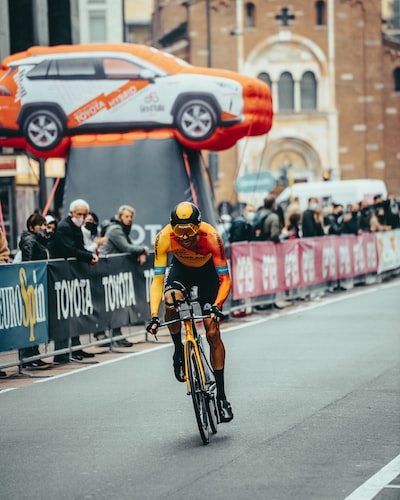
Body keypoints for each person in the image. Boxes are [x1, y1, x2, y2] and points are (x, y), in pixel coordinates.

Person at [146, 201, 234, 423]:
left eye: (190, 231)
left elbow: (225, 279)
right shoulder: (164, 237)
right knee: (171, 299)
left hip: (207, 274)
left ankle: (222, 398)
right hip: (182, 270)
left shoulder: (211, 237)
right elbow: (157, 281)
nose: (184, 236)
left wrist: (217, 306)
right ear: (172, 227)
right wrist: (154, 315)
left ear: (198, 225)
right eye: (179, 231)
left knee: (212, 332)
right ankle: (178, 351)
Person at [49, 199, 99, 363]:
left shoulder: (77, 227)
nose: (82, 217)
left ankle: (76, 347)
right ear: (71, 213)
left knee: (75, 311)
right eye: (79, 214)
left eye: (84, 214)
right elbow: (69, 249)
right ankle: (61, 353)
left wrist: (89, 257)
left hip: (73, 276)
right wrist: (88, 256)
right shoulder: (64, 227)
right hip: (60, 277)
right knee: (63, 314)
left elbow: (80, 247)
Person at [99, 205, 148, 347]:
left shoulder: (123, 229)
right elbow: (127, 248)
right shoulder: (115, 230)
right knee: (110, 304)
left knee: (116, 304)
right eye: (126, 216)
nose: (129, 219)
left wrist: (140, 252)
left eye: (131, 217)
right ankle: (108, 336)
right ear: (120, 217)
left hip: (115, 272)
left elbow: (130, 246)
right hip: (106, 271)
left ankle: (116, 335)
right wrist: (143, 249)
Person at [18, 213, 51, 369]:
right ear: (31, 227)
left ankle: (34, 354)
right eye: (41, 224)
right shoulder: (30, 241)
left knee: (36, 319)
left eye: (45, 224)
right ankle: (27, 356)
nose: (44, 227)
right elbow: (29, 263)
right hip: (31, 285)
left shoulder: (39, 240)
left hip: (38, 285)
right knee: (29, 320)